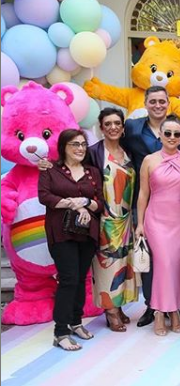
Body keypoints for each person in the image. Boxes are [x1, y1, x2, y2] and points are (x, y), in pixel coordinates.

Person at [122, 85, 180, 327]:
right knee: (151, 260)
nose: (158, 105)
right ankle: (152, 307)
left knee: (172, 262)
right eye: (153, 101)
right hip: (148, 203)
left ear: (169, 103)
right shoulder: (132, 128)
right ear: (145, 104)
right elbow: (117, 149)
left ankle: (173, 307)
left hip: (177, 212)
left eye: (162, 101)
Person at [38, 129, 104, 351]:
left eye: (83, 144)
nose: (80, 148)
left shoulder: (92, 172)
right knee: (68, 278)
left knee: (80, 278)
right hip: (61, 232)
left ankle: (76, 322)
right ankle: (61, 331)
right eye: (74, 144)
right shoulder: (51, 170)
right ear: (63, 147)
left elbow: (99, 203)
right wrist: (74, 203)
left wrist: (86, 202)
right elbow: (45, 196)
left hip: (87, 232)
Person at [135, 118, 180, 336]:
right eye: (167, 133)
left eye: (176, 134)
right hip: (156, 219)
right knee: (163, 264)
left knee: (177, 266)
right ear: (159, 135)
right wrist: (140, 223)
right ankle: (160, 312)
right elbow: (142, 194)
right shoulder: (149, 160)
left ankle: (175, 309)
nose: (171, 137)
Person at [88, 108, 138, 332]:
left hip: (127, 219)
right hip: (105, 220)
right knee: (106, 265)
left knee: (124, 264)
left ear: (123, 126)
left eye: (117, 123)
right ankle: (110, 311)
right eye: (107, 123)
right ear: (101, 127)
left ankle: (118, 305)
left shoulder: (129, 152)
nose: (113, 127)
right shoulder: (93, 153)